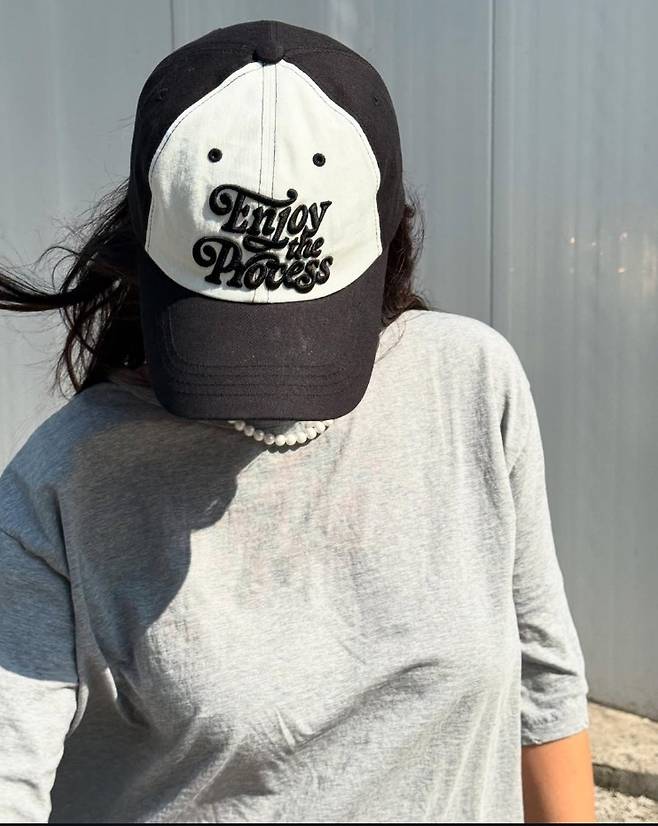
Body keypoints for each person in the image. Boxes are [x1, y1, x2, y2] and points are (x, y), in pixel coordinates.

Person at [0, 19, 595, 824]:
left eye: (305, 325)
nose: (270, 378)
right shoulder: (64, 486)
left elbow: (543, 686)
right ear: (148, 231)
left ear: (387, 227)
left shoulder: (470, 383)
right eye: (229, 326)